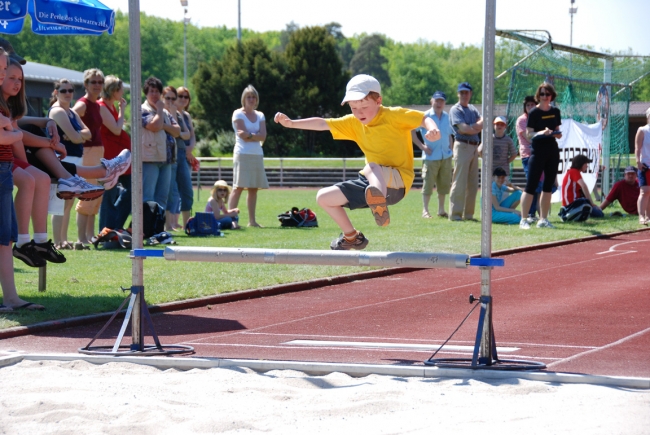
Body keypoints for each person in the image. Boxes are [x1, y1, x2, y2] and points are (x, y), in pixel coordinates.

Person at [274, 74, 441, 250]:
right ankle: (352, 236)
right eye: (354, 107)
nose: (359, 112)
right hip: (370, 180)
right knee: (323, 198)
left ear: (378, 101)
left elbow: (423, 118)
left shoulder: (393, 115)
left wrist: (433, 129)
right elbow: (323, 124)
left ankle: (379, 198)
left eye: (364, 106)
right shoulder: (353, 123)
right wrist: (291, 123)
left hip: (398, 181)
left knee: (371, 166)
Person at [0, 46, 44, 312]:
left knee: (4, 239)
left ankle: (11, 298)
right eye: (4, 70)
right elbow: (6, 136)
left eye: (6, 69)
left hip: (4, 168)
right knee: (4, 239)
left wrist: (12, 130)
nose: (5, 75)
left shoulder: (7, 105)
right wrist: (14, 133)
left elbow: (10, 132)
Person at [48, 79, 91, 251]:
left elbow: (88, 133)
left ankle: (63, 240)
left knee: (69, 202)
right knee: (60, 201)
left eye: (70, 90)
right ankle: (57, 241)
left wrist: (77, 135)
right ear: (56, 92)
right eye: (64, 90)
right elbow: (76, 137)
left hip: (75, 158)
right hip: (61, 159)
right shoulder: (57, 111)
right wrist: (78, 136)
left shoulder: (72, 112)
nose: (68, 93)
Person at [519, 82, 562, 230]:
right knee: (530, 186)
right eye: (542, 94)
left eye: (547, 94)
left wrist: (556, 133)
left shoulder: (555, 111)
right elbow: (529, 134)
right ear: (539, 96)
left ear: (552, 96)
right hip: (537, 152)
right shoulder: (534, 113)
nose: (545, 97)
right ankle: (523, 219)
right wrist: (541, 133)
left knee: (548, 187)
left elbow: (558, 132)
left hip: (552, 151)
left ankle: (543, 219)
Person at [73, 68, 106, 246]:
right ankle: (80, 238)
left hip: (98, 151)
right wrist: (77, 134)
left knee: (96, 195)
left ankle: (90, 236)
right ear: (86, 84)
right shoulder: (83, 104)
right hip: (87, 152)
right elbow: (70, 115)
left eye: (100, 82)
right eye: (93, 82)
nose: (97, 85)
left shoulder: (96, 104)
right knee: (87, 193)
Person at [229, 85, 268, 228]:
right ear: (243, 99)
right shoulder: (238, 114)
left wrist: (250, 135)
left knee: (253, 188)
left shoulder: (260, 115)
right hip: (242, 153)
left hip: (256, 154)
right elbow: (241, 134)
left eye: (253, 97)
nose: (251, 99)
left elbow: (263, 135)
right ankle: (231, 219)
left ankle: (252, 221)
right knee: (238, 187)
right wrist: (254, 136)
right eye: (248, 97)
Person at [411, 90, 453, 218]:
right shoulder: (425, 116)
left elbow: (449, 135)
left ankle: (441, 210)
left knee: (444, 185)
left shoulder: (447, 116)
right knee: (428, 184)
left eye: (442, 101)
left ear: (445, 103)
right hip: (430, 156)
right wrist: (422, 146)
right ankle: (425, 211)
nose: (439, 103)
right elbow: (412, 131)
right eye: (437, 100)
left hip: (445, 156)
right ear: (431, 101)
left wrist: (451, 149)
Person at [98, 75, 132, 231]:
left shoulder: (111, 106)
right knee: (109, 195)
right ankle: (105, 230)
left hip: (120, 156)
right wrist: (122, 109)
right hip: (109, 155)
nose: (123, 91)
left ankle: (115, 226)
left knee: (132, 190)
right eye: (121, 88)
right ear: (113, 90)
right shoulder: (102, 106)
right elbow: (117, 129)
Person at [141, 76, 180, 210]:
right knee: (148, 197)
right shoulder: (142, 110)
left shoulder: (165, 112)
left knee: (163, 197)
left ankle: (158, 228)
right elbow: (154, 126)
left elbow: (177, 131)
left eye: (157, 91)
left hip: (166, 160)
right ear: (146, 93)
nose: (155, 94)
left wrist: (163, 124)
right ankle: (146, 229)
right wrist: (159, 112)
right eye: (151, 91)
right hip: (150, 159)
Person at [449, 82, 483, 221]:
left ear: (470, 94)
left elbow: (483, 122)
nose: (464, 95)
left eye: (466, 92)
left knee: (473, 183)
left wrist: (473, 127)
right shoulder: (455, 109)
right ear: (458, 94)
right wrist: (476, 127)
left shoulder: (473, 109)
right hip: (462, 146)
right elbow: (463, 129)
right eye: (461, 92)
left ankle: (468, 215)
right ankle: (455, 215)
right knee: (459, 181)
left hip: (474, 146)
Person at [163, 85, 192, 231]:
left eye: (173, 98)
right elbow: (179, 133)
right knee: (170, 192)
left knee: (187, 190)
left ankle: (188, 225)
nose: (171, 101)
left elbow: (187, 134)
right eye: (167, 98)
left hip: (180, 152)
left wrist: (177, 131)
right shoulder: (161, 113)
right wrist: (177, 132)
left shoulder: (179, 115)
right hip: (168, 153)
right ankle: (168, 225)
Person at [516, 96, 540, 219]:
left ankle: (534, 213)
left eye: (532, 104)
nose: (530, 107)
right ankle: (529, 214)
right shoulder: (522, 120)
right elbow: (529, 138)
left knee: (539, 185)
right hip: (527, 155)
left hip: (539, 154)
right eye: (528, 105)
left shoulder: (538, 118)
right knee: (531, 184)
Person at [560, 154, 603, 220]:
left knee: (598, 211)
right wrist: (591, 203)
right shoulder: (574, 172)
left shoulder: (572, 172)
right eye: (586, 163)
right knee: (599, 213)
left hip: (570, 204)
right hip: (571, 205)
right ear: (580, 164)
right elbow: (584, 186)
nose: (587, 166)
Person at [635, 107, 650, 225]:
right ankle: (641, 216)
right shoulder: (643, 130)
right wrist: (638, 162)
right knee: (644, 191)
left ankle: (648, 216)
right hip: (645, 164)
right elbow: (637, 147)